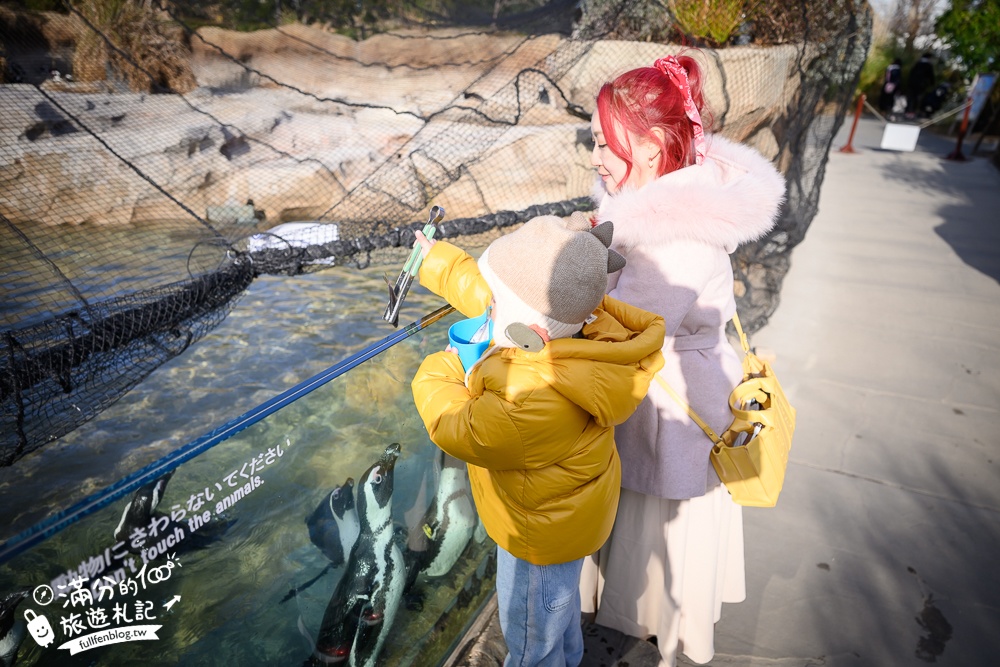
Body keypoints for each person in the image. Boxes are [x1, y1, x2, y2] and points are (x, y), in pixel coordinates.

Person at [580, 54, 786, 667]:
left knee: (669, 537)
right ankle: (667, 636)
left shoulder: (667, 233)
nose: (593, 156)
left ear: (648, 146)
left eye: (601, 141)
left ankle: (676, 646)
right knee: (673, 529)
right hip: (693, 396)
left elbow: (612, 319)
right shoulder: (678, 204)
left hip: (672, 408)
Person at [410, 215, 666, 666]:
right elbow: (494, 294)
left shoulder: (533, 396)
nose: (486, 312)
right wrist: (436, 263)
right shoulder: (581, 326)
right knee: (557, 617)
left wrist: (444, 369)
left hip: (537, 536)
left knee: (530, 640)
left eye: (494, 311)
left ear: (532, 334)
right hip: (562, 519)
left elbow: (458, 427)